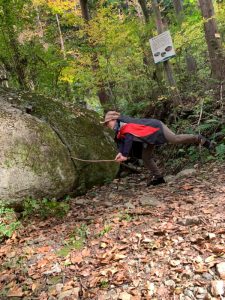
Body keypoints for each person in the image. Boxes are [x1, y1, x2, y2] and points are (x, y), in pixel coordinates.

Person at [101, 111, 213, 186]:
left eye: (107, 123)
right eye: (105, 124)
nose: (107, 125)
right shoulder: (119, 130)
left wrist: (124, 155)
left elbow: (129, 138)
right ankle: (159, 178)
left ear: (114, 119)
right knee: (146, 157)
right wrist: (120, 153)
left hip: (155, 127)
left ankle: (199, 139)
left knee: (174, 139)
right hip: (148, 138)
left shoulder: (126, 124)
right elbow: (122, 141)